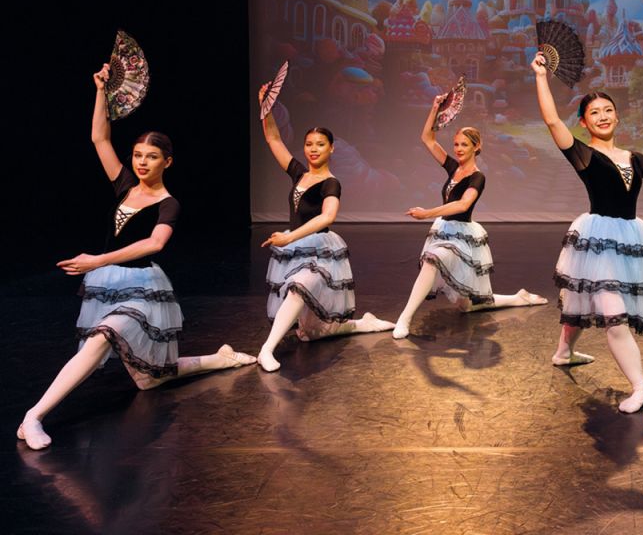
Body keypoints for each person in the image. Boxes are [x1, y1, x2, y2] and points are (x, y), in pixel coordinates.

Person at [17, 65, 255, 451]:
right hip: (109, 284)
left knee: (104, 337)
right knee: (150, 378)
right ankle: (219, 359)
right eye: (138, 155)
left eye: (152, 156)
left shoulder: (169, 204)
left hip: (141, 287)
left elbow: (155, 244)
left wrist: (97, 259)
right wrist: (100, 92)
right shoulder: (126, 184)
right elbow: (99, 137)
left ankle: (34, 416)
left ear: (168, 162)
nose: (142, 162)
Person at [532, 52, 643, 413]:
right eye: (594, 113)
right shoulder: (584, 155)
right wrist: (541, 77)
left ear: (617, 116)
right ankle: (640, 386)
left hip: (629, 240)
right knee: (611, 312)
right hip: (596, 238)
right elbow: (552, 120)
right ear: (585, 123)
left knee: (581, 299)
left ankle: (563, 352)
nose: (602, 117)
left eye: (607, 110)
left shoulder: (634, 157)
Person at [256, 87, 392, 372]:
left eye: (320, 144)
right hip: (294, 248)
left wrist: (289, 236)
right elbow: (273, 137)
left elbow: (327, 216)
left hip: (319, 251)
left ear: (331, 148)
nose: (313, 149)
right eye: (309, 144)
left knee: (298, 287)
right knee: (309, 332)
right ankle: (361, 324)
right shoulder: (298, 173)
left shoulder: (332, 183)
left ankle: (266, 350)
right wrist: (265, 107)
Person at [391, 94, 547, 339]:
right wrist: (434, 108)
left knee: (432, 260)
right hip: (443, 230)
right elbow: (427, 138)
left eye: (464, 145)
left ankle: (405, 318)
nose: (458, 149)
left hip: (462, 237)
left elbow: (463, 205)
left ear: (476, 146)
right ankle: (518, 297)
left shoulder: (477, 177)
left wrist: (427, 213)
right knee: (465, 306)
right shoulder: (453, 168)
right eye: (456, 145)